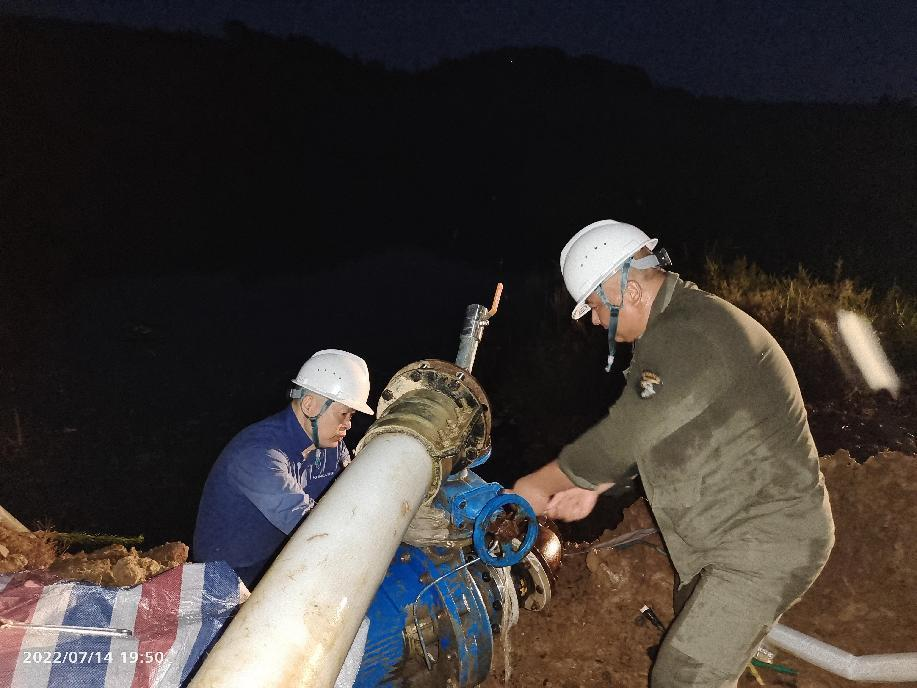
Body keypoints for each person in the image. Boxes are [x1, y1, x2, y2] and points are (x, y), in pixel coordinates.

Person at [512, 220, 834, 688]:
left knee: (681, 676)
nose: (597, 322)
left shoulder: (693, 333)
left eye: (596, 307)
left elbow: (629, 429)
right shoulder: (672, 335)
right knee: (695, 638)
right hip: (720, 537)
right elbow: (659, 428)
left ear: (628, 289)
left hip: (765, 538)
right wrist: (594, 486)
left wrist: (538, 485)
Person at [194, 349, 374, 588]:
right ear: (310, 405)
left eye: (351, 415)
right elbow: (311, 527)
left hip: (277, 562)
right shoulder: (257, 454)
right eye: (343, 414)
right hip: (226, 578)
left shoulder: (330, 445)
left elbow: (353, 495)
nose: (348, 425)